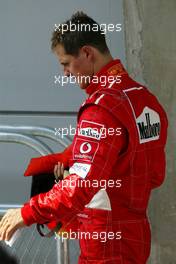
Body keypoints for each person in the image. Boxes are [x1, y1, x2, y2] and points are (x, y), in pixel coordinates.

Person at [0, 11, 168, 263]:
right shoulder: (146, 99)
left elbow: (80, 186)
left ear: (87, 53)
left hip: (104, 244)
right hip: (135, 237)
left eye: (66, 63)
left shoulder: (101, 108)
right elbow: (154, 176)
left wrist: (26, 213)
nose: (66, 73)